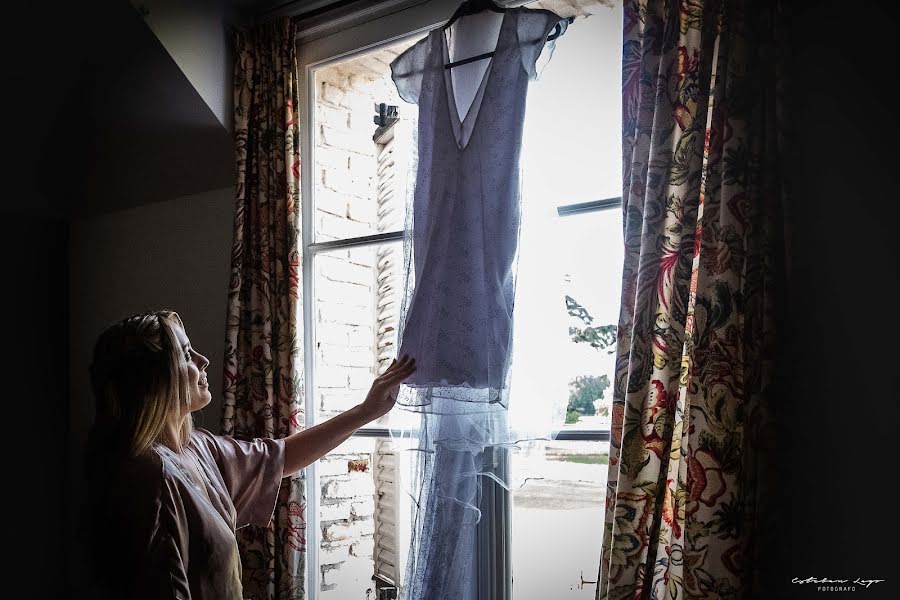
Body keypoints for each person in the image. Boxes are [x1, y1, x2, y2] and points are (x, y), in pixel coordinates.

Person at [84, 309, 415, 599]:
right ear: (154, 379)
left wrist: (365, 411)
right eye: (186, 354)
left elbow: (281, 456)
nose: (204, 360)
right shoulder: (149, 478)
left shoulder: (197, 447)